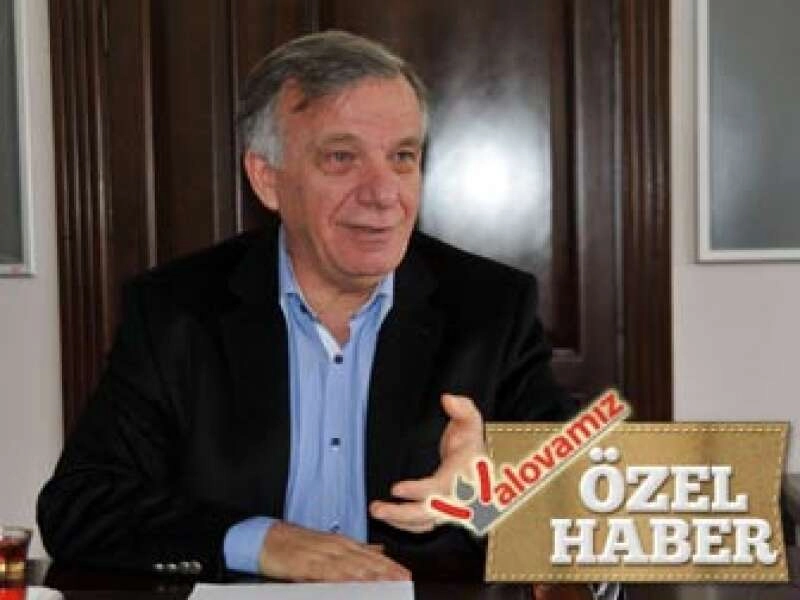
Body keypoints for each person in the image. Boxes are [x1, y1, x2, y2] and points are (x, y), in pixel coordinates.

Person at [38, 30, 610, 598]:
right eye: (341, 157)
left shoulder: (489, 308)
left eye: (402, 157)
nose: (383, 193)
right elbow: (81, 505)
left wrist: (496, 495)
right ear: (267, 178)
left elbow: (600, 516)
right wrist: (262, 541)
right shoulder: (176, 311)